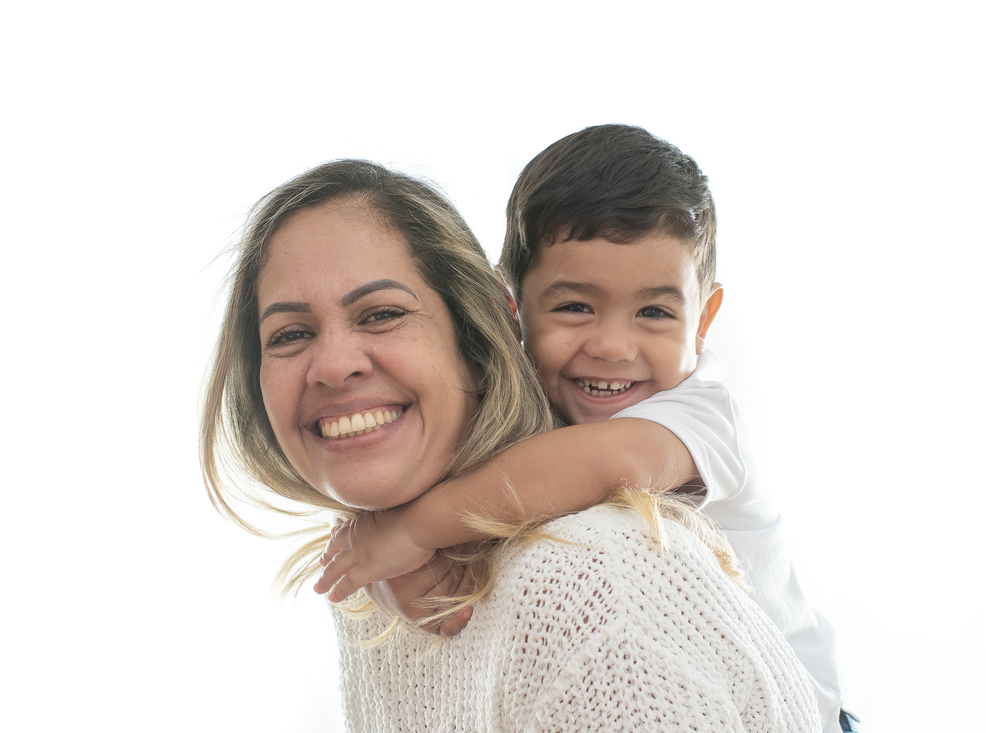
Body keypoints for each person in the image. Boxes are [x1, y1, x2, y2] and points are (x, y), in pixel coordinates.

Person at [201, 159, 820, 732]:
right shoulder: (380, 572)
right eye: (290, 333)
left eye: (383, 313)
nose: (610, 347)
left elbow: (613, 461)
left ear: (483, 324)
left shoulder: (604, 567)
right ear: (516, 313)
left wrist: (417, 530)